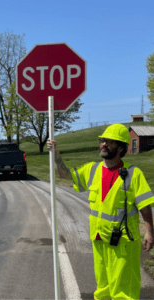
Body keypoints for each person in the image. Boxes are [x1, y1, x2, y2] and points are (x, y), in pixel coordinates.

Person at [47, 123, 154, 300]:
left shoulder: (133, 173)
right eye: (103, 140)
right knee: (102, 287)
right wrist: (56, 154)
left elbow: (144, 205)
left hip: (124, 243)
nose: (103, 144)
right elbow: (65, 175)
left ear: (120, 148)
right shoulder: (92, 169)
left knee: (123, 289)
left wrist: (149, 231)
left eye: (109, 142)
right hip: (99, 239)